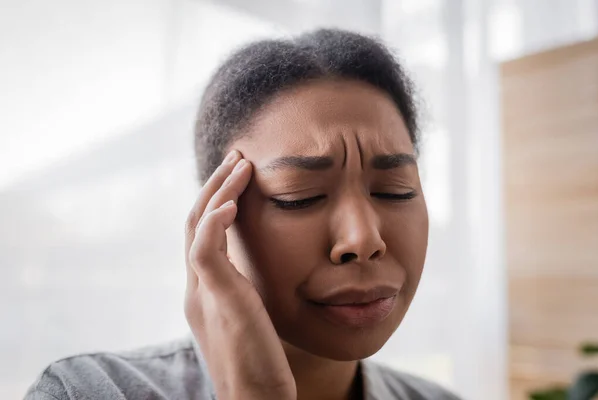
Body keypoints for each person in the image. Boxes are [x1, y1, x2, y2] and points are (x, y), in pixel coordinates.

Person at [25, 29, 461, 400]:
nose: (363, 240)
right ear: (214, 219)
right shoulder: (86, 391)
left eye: (395, 191)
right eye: (299, 196)